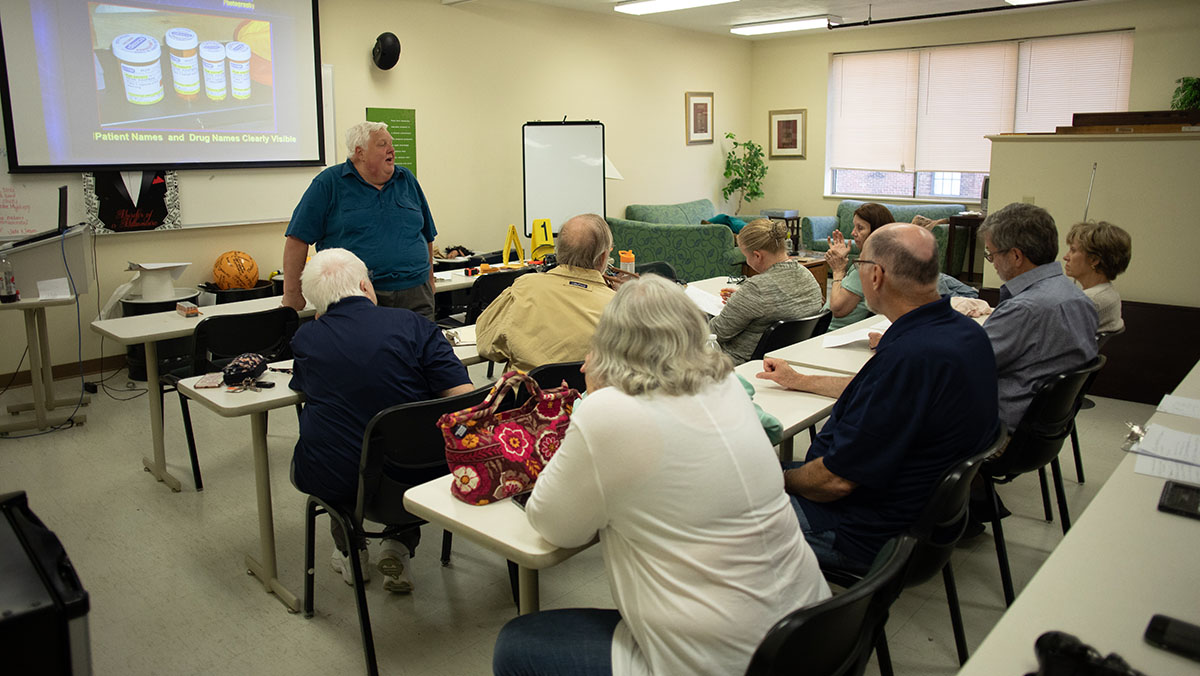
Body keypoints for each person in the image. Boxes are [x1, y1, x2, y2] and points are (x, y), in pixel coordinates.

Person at [492, 275, 830, 676]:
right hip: (815, 634)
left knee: (517, 645)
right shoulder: (726, 385)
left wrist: (594, 399)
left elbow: (552, 524)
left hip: (727, 660)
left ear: (609, 344)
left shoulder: (609, 411)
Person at [757, 224, 999, 572]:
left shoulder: (909, 357)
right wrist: (800, 379)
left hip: (859, 529)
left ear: (876, 275)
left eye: (858, 262)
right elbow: (882, 393)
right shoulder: (962, 334)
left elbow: (834, 482)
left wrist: (775, 479)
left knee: (715, 507)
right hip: (922, 519)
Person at [289, 248, 473, 593]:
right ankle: (398, 547)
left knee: (335, 439)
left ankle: (351, 550)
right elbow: (464, 398)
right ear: (364, 285)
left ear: (317, 305)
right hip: (418, 479)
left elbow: (305, 388)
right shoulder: (415, 325)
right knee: (404, 441)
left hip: (340, 482)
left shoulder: (306, 339)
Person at [281, 121, 438, 320]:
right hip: (355, 297)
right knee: (365, 350)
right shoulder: (329, 183)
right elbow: (297, 240)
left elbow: (427, 234)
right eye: (382, 144)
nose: (392, 149)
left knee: (421, 349)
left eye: (391, 143)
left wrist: (430, 278)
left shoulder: (406, 179)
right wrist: (293, 294)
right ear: (360, 152)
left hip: (416, 294)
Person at [980, 203, 1099, 430]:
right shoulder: (1077, 297)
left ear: (1015, 256)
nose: (993, 263)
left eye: (991, 254)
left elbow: (967, 365)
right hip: (1045, 429)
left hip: (1004, 432)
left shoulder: (1024, 309)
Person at [476, 214, 616, 372]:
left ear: (559, 250)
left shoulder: (525, 287)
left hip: (527, 395)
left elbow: (486, 345)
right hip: (588, 395)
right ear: (604, 257)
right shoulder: (619, 307)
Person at [826, 203, 976, 330]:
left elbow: (838, 308)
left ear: (877, 232)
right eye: (854, 227)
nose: (853, 233)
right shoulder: (873, 264)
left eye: (860, 228)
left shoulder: (866, 268)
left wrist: (838, 271)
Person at [710, 219, 824, 365]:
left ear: (757, 256)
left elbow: (715, 333)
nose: (747, 261)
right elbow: (781, 303)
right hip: (789, 357)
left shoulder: (756, 289)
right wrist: (741, 300)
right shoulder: (807, 275)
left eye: (746, 256)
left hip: (739, 361)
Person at [1062, 220, 1132, 333]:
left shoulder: (1089, 301)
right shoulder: (1109, 293)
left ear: (1094, 260)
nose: (1066, 257)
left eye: (1073, 250)